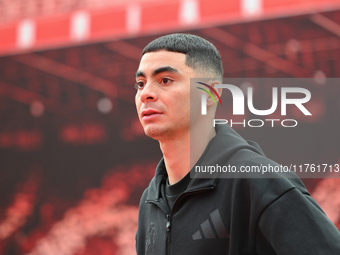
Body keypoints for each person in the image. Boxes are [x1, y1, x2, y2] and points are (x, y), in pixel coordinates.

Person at [134, 33, 340, 254]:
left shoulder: (259, 182)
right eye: (140, 83)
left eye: (165, 80)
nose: (146, 93)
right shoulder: (150, 201)